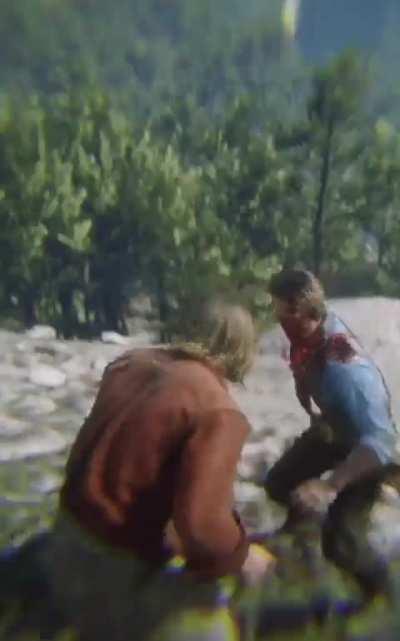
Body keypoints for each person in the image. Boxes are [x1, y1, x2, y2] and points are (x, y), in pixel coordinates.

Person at [49, 299, 276, 641]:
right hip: (115, 568)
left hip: (64, 538)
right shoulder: (218, 410)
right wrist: (240, 557)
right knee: (216, 621)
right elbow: (202, 528)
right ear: (242, 349)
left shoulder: (130, 364)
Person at [263, 269, 399, 603]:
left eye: (279, 309)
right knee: (279, 483)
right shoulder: (309, 337)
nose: (275, 317)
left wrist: (330, 485)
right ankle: (302, 545)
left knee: (342, 543)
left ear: (298, 310)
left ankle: (385, 597)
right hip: (333, 429)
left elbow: (379, 442)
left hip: (364, 451)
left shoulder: (346, 370)